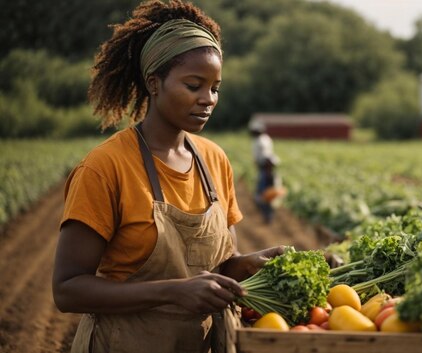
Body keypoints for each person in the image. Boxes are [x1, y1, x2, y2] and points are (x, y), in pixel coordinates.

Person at [52, 1, 284, 352]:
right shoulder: (105, 167)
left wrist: (250, 263)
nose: (208, 99)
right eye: (194, 85)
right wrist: (174, 290)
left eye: (215, 88)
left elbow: (221, 265)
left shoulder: (214, 160)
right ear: (154, 83)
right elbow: (67, 289)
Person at [248, 120, 283, 223]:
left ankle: (267, 215)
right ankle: (267, 215)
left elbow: (265, 157)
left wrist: (264, 166)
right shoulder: (266, 139)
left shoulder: (260, 141)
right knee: (266, 195)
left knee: (263, 195)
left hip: (264, 170)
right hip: (265, 169)